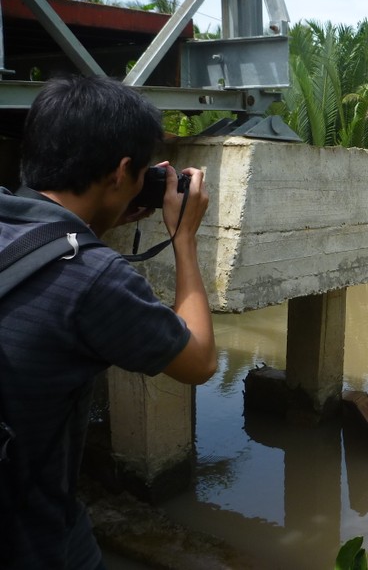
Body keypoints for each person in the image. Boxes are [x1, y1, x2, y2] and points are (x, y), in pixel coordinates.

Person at [0, 75, 217, 569]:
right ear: (121, 172)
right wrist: (184, 238)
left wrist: (98, 217)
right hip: (34, 542)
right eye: (140, 173)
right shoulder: (94, 277)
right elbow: (200, 360)